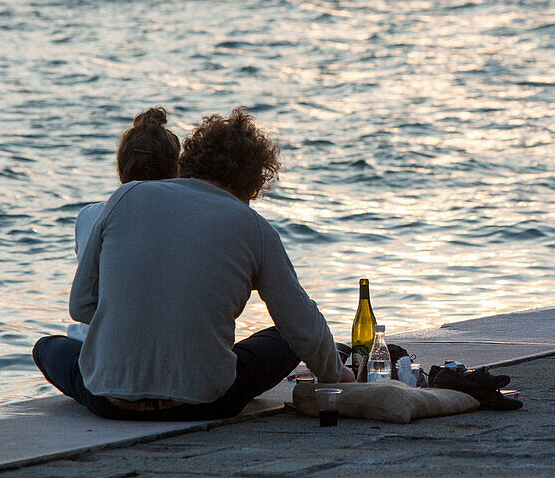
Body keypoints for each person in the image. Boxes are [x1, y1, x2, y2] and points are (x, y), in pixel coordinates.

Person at [33, 107, 354, 420]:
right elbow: (303, 325)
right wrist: (339, 377)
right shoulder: (254, 226)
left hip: (109, 399)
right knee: (286, 337)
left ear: (186, 164)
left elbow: (82, 308)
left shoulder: (125, 197)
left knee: (47, 347)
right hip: (205, 401)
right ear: (252, 182)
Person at [66, 107, 180, 341]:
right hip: (166, 343)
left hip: (99, 350)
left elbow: (82, 306)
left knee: (47, 347)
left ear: (120, 170)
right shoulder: (186, 220)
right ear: (176, 170)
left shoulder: (89, 215)